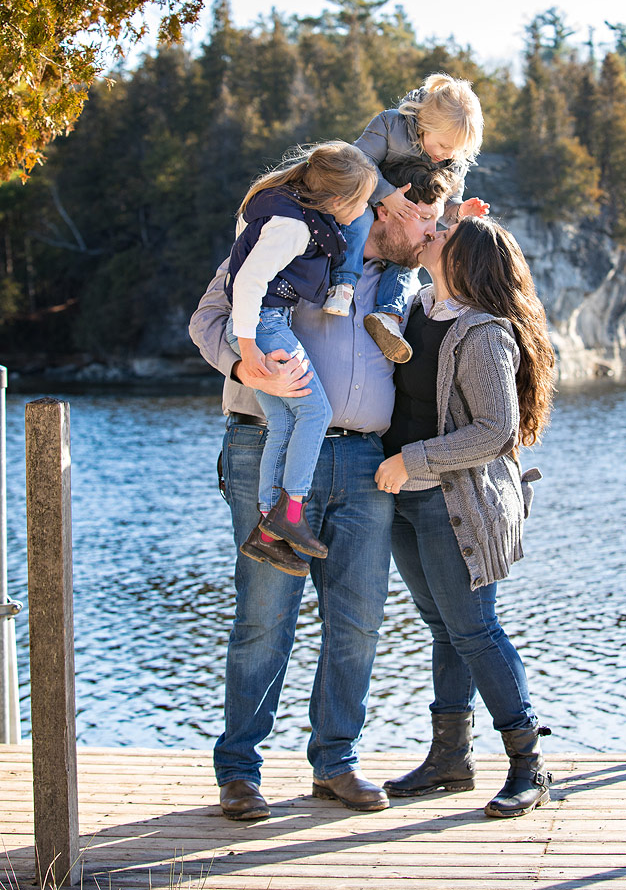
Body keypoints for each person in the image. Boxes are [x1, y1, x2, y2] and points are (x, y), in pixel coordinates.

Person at [188, 163, 452, 821]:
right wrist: (242, 362)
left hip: (366, 462)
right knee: (263, 617)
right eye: (422, 218)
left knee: (357, 622)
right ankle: (240, 773)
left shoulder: (404, 280)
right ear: (385, 209)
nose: (430, 231)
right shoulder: (288, 244)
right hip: (264, 448)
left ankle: (335, 763)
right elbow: (207, 320)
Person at [374, 216, 557, 819]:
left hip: (454, 503)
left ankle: (530, 765)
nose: (432, 232)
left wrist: (412, 460)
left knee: (475, 629)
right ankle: (451, 759)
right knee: (443, 626)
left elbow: (496, 431)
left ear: (462, 261)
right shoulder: (420, 309)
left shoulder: (482, 333)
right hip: (406, 498)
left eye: (443, 233)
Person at [224, 141, 377, 568]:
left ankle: (268, 528)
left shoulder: (286, 209)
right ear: (335, 201)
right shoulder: (291, 226)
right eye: (361, 202)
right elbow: (248, 282)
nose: (364, 210)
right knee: (315, 414)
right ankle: (291, 514)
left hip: (269, 325)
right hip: (265, 327)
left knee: (283, 418)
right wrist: (251, 347)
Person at [322, 74, 489, 364]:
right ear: (426, 124)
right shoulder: (390, 125)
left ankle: (388, 315)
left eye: (456, 150)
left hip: (402, 219)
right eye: (443, 145)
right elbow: (356, 163)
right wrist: (385, 194)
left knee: (410, 256)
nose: (447, 155)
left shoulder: (452, 160)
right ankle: (344, 283)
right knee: (359, 220)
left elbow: (445, 205)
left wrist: (460, 213)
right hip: (367, 196)